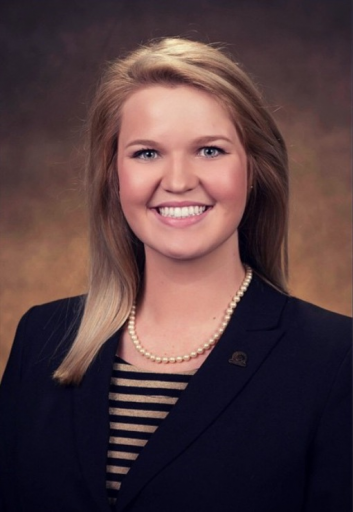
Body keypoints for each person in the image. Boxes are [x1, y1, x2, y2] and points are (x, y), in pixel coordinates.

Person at [0, 37, 351, 512]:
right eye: (147, 153)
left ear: (254, 170)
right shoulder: (41, 339)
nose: (179, 179)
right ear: (112, 175)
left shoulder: (335, 358)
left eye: (210, 151)